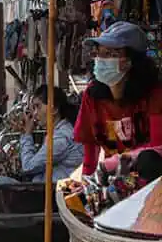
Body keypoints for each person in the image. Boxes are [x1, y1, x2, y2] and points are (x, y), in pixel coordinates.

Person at [74, 21, 162, 176]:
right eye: (99, 53)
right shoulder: (91, 95)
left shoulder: (155, 94)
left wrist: (116, 162)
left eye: (110, 54)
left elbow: (157, 149)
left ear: (130, 62)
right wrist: (86, 183)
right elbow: (90, 151)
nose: (100, 60)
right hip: (114, 184)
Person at [19, 85, 84, 182]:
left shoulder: (61, 137)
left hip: (57, 191)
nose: (35, 113)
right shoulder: (61, 130)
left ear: (54, 109)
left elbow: (28, 167)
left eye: (38, 107)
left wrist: (27, 134)